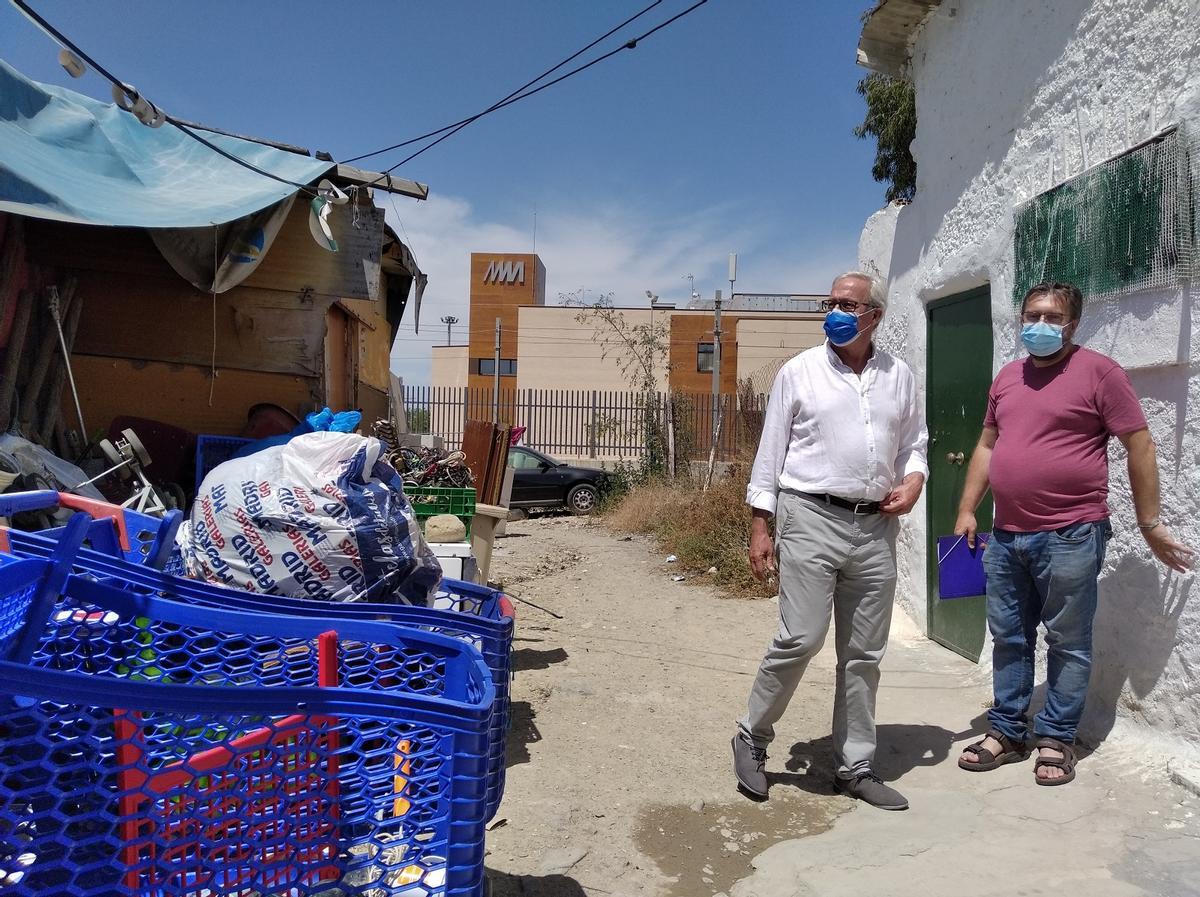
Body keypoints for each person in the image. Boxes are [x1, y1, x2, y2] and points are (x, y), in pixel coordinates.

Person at [956, 281, 1192, 786]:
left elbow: (1140, 444)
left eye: (1051, 316)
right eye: (1031, 314)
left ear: (1073, 323)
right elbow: (987, 447)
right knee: (1009, 638)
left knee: (1067, 641)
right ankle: (1006, 731)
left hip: (1071, 533)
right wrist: (966, 511)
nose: (1038, 325)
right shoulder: (1007, 377)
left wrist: (1149, 524)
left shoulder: (1099, 372)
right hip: (1004, 536)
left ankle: (1056, 739)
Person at [733, 271, 928, 811]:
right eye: (831, 302)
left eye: (849, 304)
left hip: (874, 528)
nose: (836, 311)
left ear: (875, 316)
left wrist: (914, 480)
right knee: (801, 637)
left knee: (863, 653)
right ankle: (752, 735)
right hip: (810, 517)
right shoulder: (800, 372)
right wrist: (759, 526)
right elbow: (769, 454)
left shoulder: (899, 377)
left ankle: (856, 763)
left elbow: (915, 444)